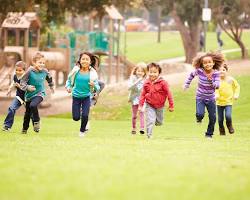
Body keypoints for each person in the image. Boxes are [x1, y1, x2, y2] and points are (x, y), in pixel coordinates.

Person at [183, 51, 225, 138]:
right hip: (200, 97)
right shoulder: (199, 71)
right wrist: (186, 84)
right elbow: (191, 75)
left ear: (213, 63)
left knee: (213, 118)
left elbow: (217, 85)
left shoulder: (216, 73)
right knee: (200, 114)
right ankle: (199, 119)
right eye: (205, 63)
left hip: (211, 99)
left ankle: (209, 134)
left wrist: (211, 81)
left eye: (209, 62)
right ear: (202, 64)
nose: (207, 64)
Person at [65, 52, 100, 137]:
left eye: (87, 59)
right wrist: (68, 87)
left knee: (85, 115)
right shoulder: (75, 71)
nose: (84, 61)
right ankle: (84, 121)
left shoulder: (92, 73)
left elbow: (98, 87)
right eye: (83, 59)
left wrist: (94, 85)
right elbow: (69, 81)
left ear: (90, 62)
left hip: (86, 97)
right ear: (80, 61)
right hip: (76, 97)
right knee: (76, 118)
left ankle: (82, 131)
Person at [20, 52, 54, 134]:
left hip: (40, 93)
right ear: (34, 62)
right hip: (29, 95)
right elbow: (22, 82)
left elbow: (49, 78)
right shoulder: (29, 71)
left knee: (33, 105)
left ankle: (37, 121)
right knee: (27, 114)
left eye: (43, 63)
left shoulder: (45, 71)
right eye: (40, 62)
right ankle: (24, 129)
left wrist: (51, 86)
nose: (42, 64)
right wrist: (27, 87)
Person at [139, 62, 174, 139]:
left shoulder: (163, 83)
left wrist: (171, 105)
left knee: (159, 122)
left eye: (155, 72)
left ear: (159, 73)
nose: (152, 74)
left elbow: (169, 93)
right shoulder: (146, 83)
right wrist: (141, 105)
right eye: (150, 72)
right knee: (150, 120)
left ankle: (156, 121)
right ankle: (149, 135)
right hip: (149, 104)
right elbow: (142, 94)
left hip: (160, 106)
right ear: (148, 72)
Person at [216, 63, 240, 135]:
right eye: (219, 70)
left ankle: (229, 126)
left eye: (223, 70)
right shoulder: (216, 80)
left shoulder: (230, 79)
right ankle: (222, 130)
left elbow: (237, 86)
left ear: (226, 71)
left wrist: (236, 94)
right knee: (220, 120)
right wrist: (216, 95)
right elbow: (215, 89)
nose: (221, 71)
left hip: (228, 102)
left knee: (228, 116)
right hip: (219, 103)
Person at [2, 61, 27, 131]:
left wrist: (20, 86)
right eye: (16, 70)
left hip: (27, 98)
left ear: (24, 70)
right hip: (19, 97)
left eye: (20, 70)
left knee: (31, 114)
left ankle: (35, 124)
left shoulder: (27, 78)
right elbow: (13, 83)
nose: (18, 72)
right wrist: (9, 89)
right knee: (11, 108)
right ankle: (7, 126)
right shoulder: (15, 76)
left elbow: (30, 88)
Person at [128, 62, 147, 135]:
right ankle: (133, 128)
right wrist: (138, 81)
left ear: (145, 72)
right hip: (134, 99)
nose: (140, 73)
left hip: (142, 99)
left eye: (142, 71)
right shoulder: (132, 78)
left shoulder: (146, 80)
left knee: (142, 112)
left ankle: (142, 128)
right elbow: (130, 88)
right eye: (138, 71)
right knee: (134, 115)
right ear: (135, 71)